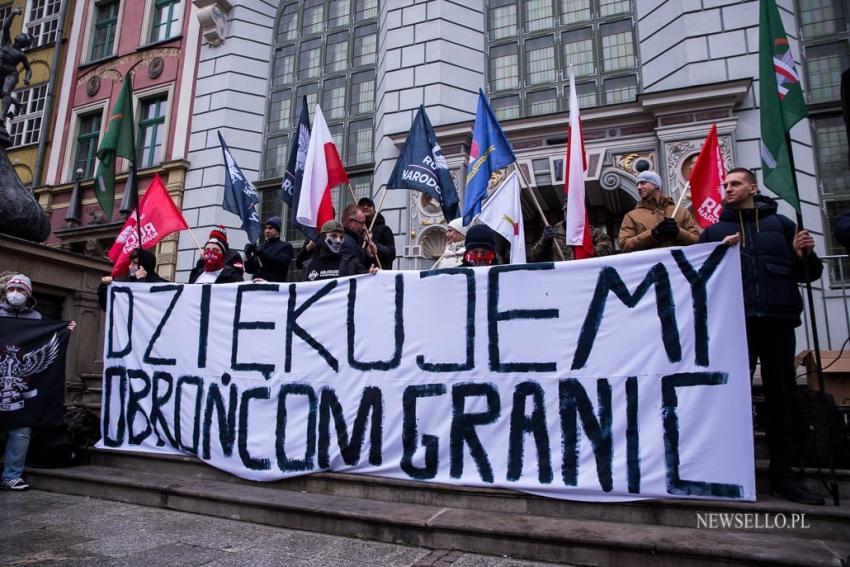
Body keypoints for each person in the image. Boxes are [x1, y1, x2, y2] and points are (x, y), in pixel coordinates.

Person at [700, 167, 824, 506]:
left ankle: (784, 474)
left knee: (781, 397)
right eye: (725, 184)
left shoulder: (782, 226)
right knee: (730, 398)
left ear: (752, 187)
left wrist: (805, 255)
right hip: (734, 325)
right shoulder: (714, 231)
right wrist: (719, 252)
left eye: (735, 183)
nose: (728, 188)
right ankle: (730, 470)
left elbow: (808, 274)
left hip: (777, 321)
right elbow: (698, 276)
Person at [0, 274, 76, 491]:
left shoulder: (37, 320)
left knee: (21, 430)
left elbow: (50, 340)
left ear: (28, 294)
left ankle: (12, 474)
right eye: (12, 289)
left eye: (21, 290)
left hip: (19, 389)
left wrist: (64, 330)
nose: (16, 294)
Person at [618, 171, 700, 252]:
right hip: (651, 264)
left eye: (643, 183)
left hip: (677, 263)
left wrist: (678, 232)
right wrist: (653, 234)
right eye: (637, 184)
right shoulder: (631, 216)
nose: (638, 187)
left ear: (656, 185)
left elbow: (697, 241)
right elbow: (624, 246)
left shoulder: (681, 212)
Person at [530, 204, 614, 262]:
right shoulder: (554, 234)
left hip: (586, 276)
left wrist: (587, 250)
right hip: (562, 278)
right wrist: (544, 241)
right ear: (564, 213)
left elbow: (608, 249)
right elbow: (534, 257)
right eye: (568, 211)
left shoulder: (593, 232)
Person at [97, 249, 167, 310]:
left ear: (145, 265)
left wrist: (141, 280)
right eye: (131, 262)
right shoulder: (123, 283)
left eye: (135, 263)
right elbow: (106, 306)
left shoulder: (160, 285)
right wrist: (104, 286)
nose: (131, 266)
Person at [0, 8, 32, 127]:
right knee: (2, 94)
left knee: (5, 91)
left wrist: (27, 78)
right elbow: (5, 27)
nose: (19, 35)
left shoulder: (21, 55)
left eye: (22, 36)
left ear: (23, 42)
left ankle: (2, 116)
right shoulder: (6, 43)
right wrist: (13, 13)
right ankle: (18, 105)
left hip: (10, 73)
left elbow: (28, 68)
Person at [244, 216, 293, 282]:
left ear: (277, 230)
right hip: (256, 285)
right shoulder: (260, 247)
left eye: (270, 228)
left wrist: (261, 253)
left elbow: (282, 264)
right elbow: (249, 270)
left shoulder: (285, 246)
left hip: (273, 287)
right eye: (266, 228)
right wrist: (248, 256)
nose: (267, 231)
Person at [358, 197, 396, 269]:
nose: (365, 207)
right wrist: (366, 252)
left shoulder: (385, 229)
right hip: (363, 273)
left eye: (369, 205)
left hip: (381, 273)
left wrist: (374, 244)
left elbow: (391, 254)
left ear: (374, 210)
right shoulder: (358, 230)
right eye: (362, 205)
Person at [339, 204, 372, 276]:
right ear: (350, 222)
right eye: (361, 223)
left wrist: (367, 254)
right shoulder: (347, 243)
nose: (364, 227)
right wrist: (368, 274)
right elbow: (351, 271)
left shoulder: (354, 241)